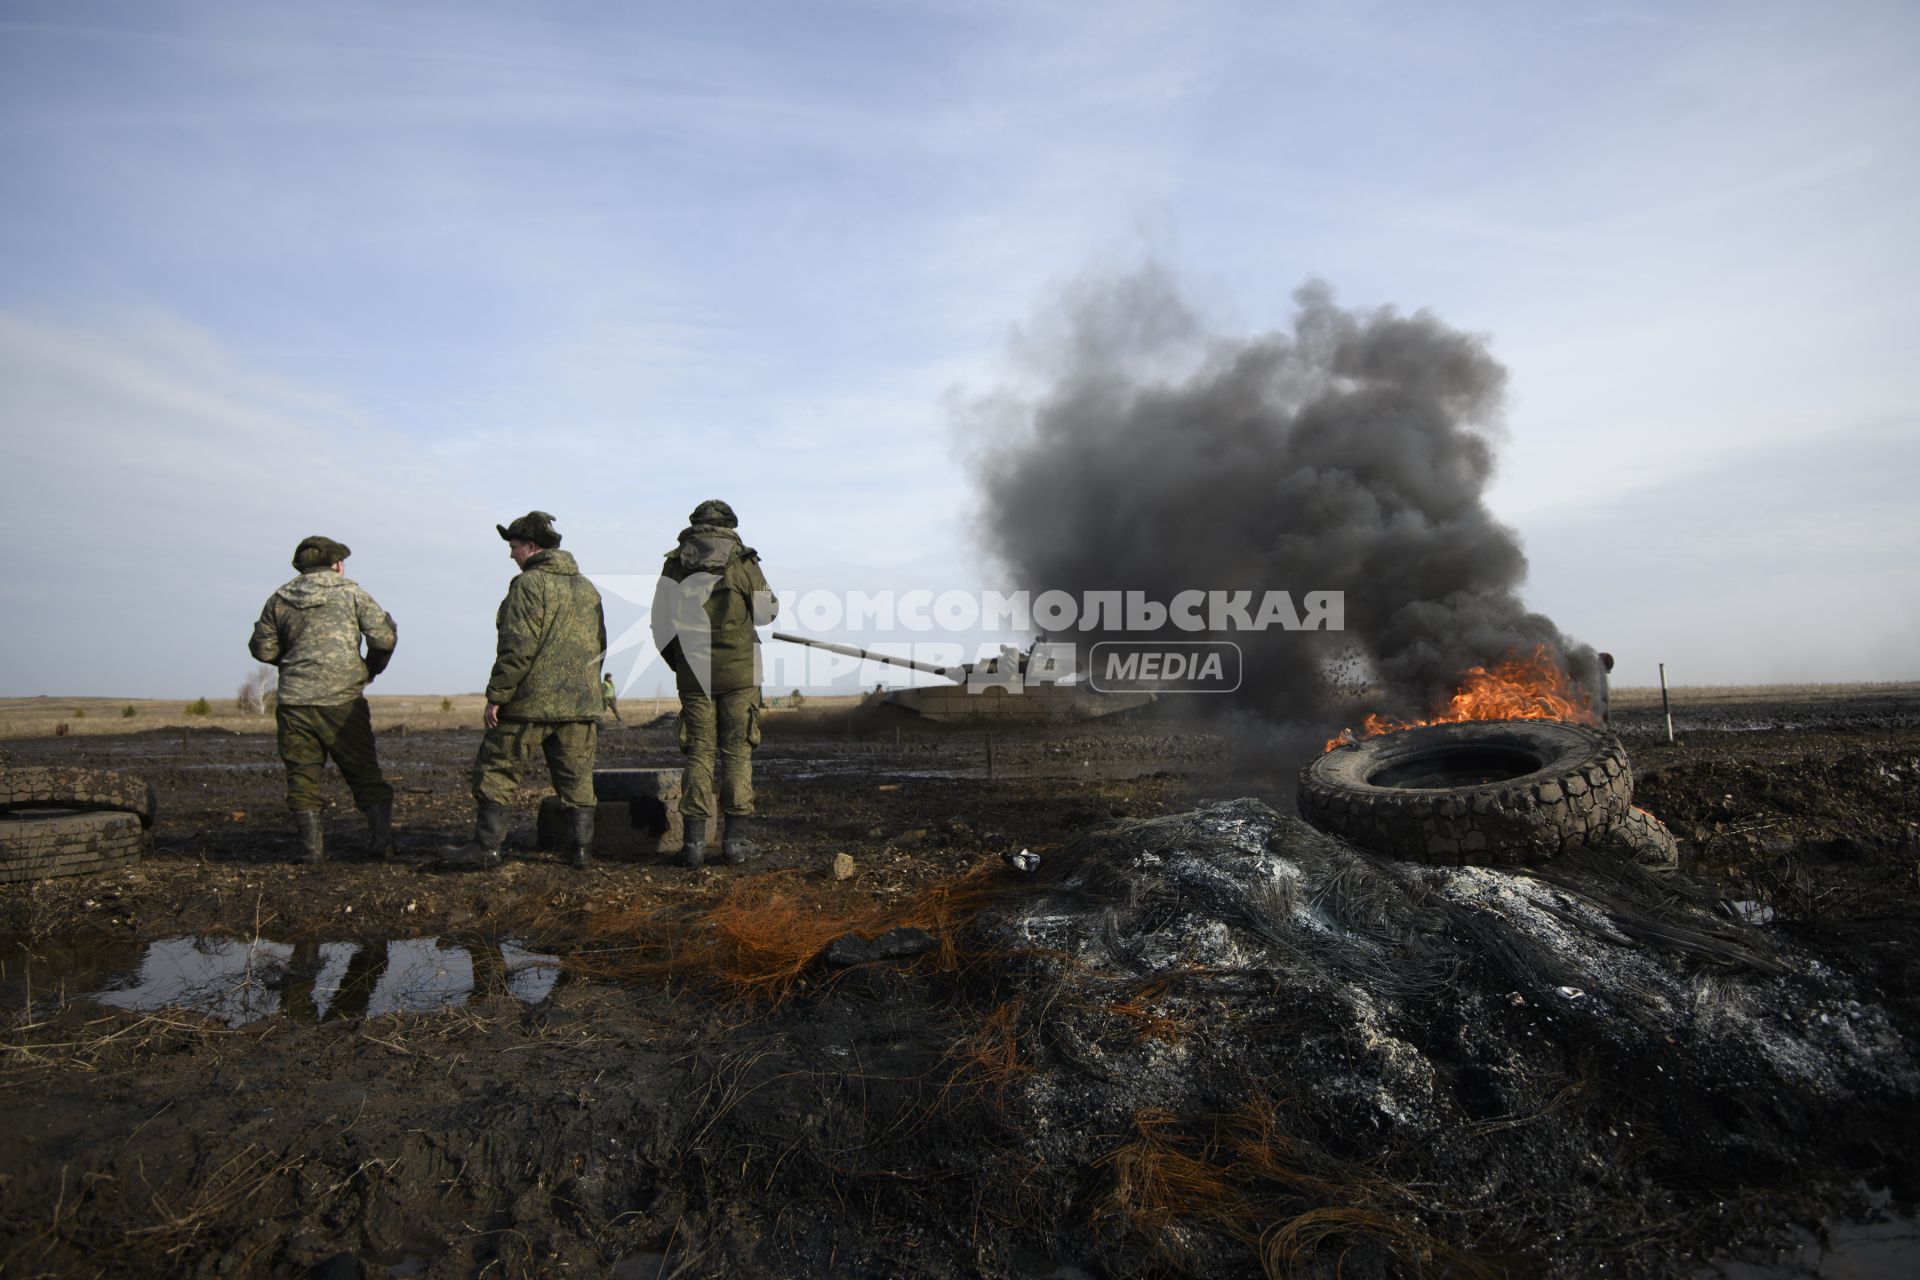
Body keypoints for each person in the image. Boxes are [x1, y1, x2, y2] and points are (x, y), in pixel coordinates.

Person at [444, 511, 607, 871]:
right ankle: (580, 852)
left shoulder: (528, 585)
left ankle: (486, 849)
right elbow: (600, 645)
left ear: (531, 547)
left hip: (528, 704)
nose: (511, 555)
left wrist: (497, 695)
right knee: (577, 778)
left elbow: (517, 646)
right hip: (579, 706)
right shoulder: (587, 588)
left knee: (497, 769)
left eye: (514, 547)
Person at [248, 535, 398, 863]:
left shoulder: (279, 599)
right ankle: (380, 845)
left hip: (294, 703)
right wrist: (368, 670)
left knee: (302, 777)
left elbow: (262, 648)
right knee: (364, 773)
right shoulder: (352, 594)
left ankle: (311, 853)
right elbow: (384, 637)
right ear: (338, 565)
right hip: (343, 702)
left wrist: (296, 660)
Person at [651, 499, 777, 867]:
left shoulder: (675, 563)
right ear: (729, 524)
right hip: (740, 675)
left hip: (694, 676)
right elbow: (767, 614)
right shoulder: (743, 560)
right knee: (737, 753)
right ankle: (735, 845)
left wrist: (682, 665)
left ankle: (692, 846)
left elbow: (660, 624)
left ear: (695, 525)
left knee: (700, 754)